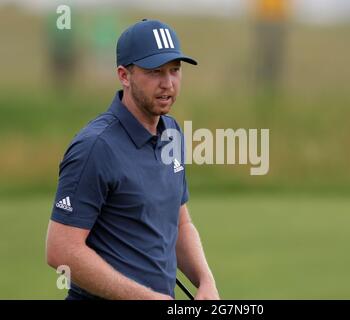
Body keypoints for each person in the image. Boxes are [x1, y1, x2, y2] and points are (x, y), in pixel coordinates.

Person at [45, 19, 220, 300]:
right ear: (124, 75)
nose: (168, 83)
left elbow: (179, 221)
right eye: (155, 72)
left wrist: (206, 281)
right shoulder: (95, 147)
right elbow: (60, 251)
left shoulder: (172, 132)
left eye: (175, 70)